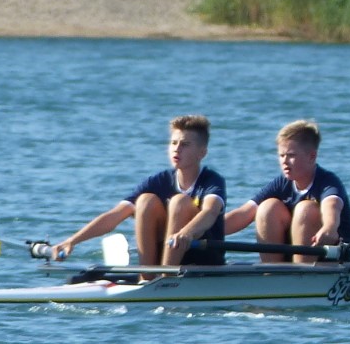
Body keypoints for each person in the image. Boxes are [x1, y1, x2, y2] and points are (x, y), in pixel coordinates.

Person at [52, 114, 227, 266]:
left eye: (185, 144)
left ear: (202, 153)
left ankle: (166, 277)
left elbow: (210, 212)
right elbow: (115, 215)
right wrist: (72, 241)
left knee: (179, 202)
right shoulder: (158, 181)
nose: (177, 149)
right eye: (174, 143)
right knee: (145, 200)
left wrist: (186, 233)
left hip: (204, 257)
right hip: (165, 254)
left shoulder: (212, 181)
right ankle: (147, 277)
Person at [222, 119, 350, 263]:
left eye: (291, 155)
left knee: (305, 209)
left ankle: (301, 272)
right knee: (267, 207)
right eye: (281, 155)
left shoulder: (328, 182)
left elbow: (332, 206)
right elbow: (244, 213)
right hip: (291, 262)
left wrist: (330, 227)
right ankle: (272, 271)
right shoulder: (281, 184)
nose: (284, 161)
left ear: (312, 156)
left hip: (336, 260)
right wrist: (209, 229)